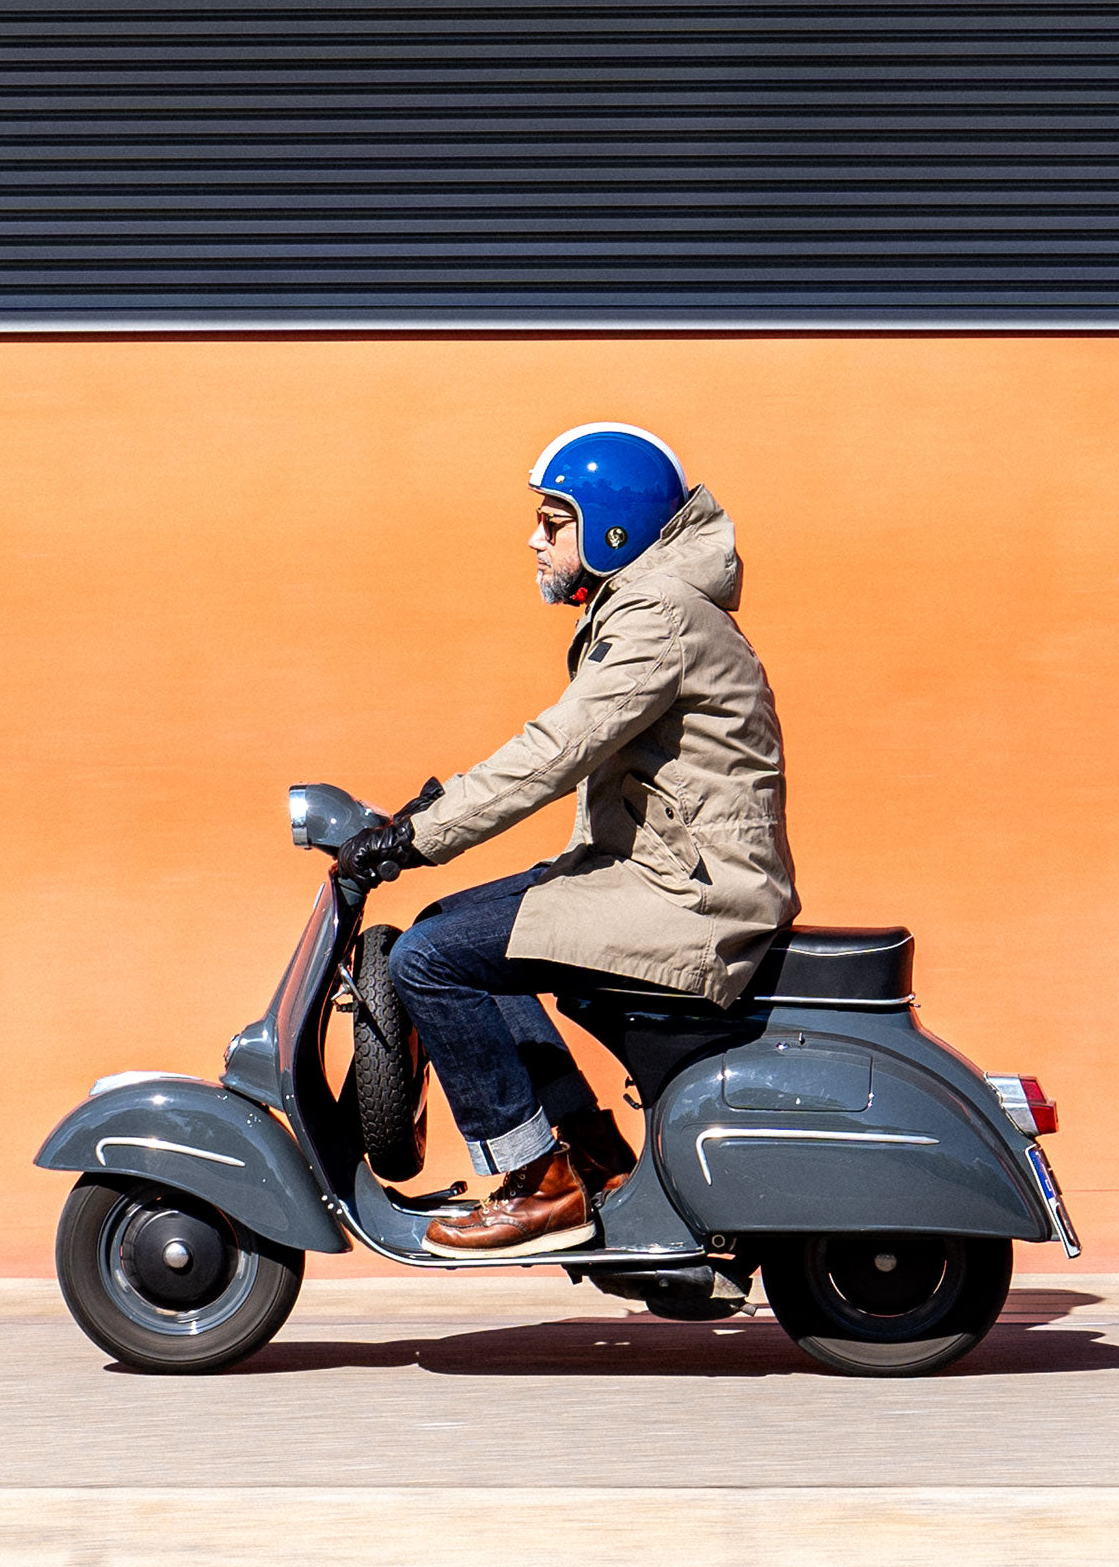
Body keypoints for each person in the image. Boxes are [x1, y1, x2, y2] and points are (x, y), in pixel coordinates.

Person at [335, 422, 799, 1258]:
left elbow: (558, 749)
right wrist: (423, 822)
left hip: (693, 899)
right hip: (664, 874)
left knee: (431, 959)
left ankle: (539, 1186)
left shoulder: (659, 615)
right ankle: (591, 1159)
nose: (534, 539)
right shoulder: (652, 606)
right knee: (456, 929)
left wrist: (418, 835)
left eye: (553, 521)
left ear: (610, 528)